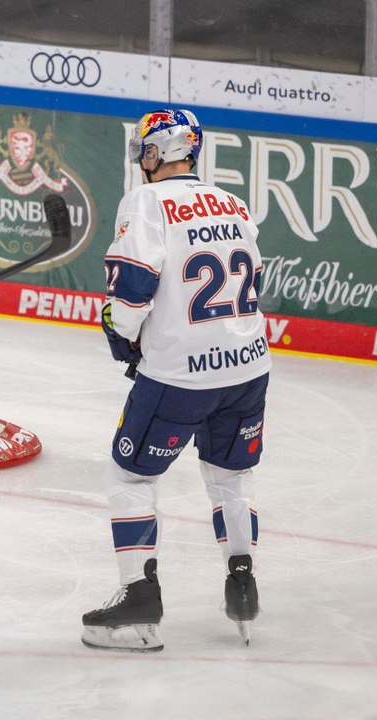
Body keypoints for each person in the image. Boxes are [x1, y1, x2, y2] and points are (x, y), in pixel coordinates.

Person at [81, 109, 270, 652]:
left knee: (128, 480)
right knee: (230, 476)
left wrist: (122, 336)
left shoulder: (145, 201)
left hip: (181, 374)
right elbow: (253, 276)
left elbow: (133, 288)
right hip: (249, 364)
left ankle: (139, 598)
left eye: (144, 149)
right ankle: (242, 583)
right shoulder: (232, 203)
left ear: (154, 153)